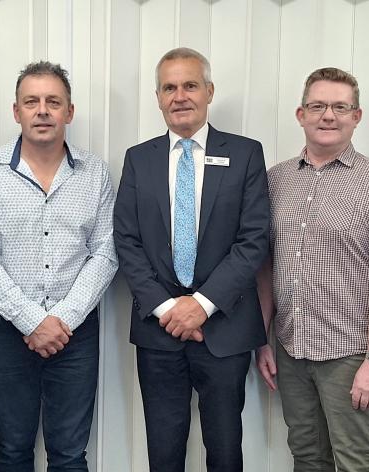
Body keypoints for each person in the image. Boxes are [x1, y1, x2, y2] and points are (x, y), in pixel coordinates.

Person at [113, 47, 269, 471]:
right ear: (158, 97)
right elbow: (126, 242)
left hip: (224, 327)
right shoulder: (138, 159)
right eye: (169, 87)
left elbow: (253, 240)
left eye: (190, 85)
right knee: (163, 453)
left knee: (224, 451)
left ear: (209, 91)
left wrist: (199, 306)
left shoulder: (245, 153)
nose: (179, 96)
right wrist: (169, 310)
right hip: (158, 331)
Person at [255, 67, 369, 471]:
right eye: (318, 105)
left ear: (356, 116)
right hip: (291, 351)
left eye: (340, 107)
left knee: (357, 463)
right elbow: (266, 266)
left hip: (351, 357)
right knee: (307, 459)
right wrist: (262, 340)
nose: (328, 115)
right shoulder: (275, 181)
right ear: (300, 114)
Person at [0, 61, 117, 471]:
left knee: (69, 454)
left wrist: (61, 319)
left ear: (70, 111)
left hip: (74, 335)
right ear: (16, 111)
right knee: (13, 448)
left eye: (54, 101)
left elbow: (105, 252)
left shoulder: (95, 173)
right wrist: (32, 320)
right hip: (4, 331)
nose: (42, 110)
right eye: (31, 101)